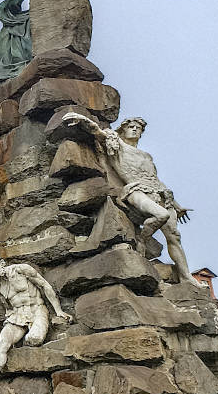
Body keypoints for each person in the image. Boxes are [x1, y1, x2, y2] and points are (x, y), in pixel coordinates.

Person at [62, 112, 201, 287]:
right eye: (131, 127)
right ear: (123, 129)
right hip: (135, 190)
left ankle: (186, 276)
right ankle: (142, 240)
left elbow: (156, 180)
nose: (135, 130)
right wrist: (83, 119)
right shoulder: (116, 143)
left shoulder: (146, 156)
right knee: (161, 215)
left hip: (159, 193)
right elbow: (97, 132)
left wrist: (177, 206)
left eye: (139, 128)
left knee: (175, 236)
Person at [0, 253, 72, 393]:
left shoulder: (21, 269)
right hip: (18, 316)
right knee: (2, 342)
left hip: (37, 309)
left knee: (34, 339)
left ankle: (27, 340)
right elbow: (8, 308)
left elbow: (45, 286)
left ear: (0, 262)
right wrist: (10, 324)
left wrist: (58, 311)